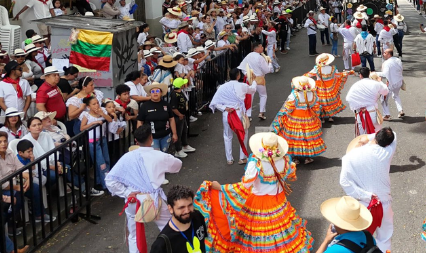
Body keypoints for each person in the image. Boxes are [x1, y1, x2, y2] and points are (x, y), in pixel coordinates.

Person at [195, 133, 313, 253]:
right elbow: (291, 175)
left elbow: (244, 186)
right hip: (278, 201)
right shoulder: (285, 160)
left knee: (258, 232)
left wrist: (221, 187)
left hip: (258, 203)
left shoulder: (256, 164)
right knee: (279, 231)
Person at [106, 125, 183, 253]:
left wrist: (126, 192)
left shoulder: (127, 157)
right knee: (170, 227)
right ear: (151, 138)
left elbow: (110, 180)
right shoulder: (159, 156)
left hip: (133, 199)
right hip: (153, 199)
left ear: (136, 141)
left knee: (134, 236)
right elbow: (177, 165)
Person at [340, 128, 397, 252]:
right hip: (384, 203)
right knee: (385, 238)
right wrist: (369, 138)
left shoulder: (349, 157)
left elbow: (344, 182)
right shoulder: (387, 152)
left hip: (362, 205)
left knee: (360, 239)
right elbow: (395, 135)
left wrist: (365, 195)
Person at [271, 76, 326, 165]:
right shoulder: (312, 94)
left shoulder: (294, 95)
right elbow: (316, 107)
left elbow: (289, 108)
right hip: (308, 118)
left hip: (295, 119)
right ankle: (307, 157)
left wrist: (285, 114)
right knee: (307, 137)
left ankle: (295, 158)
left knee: (295, 137)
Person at [209, 69, 256, 165]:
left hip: (227, 114)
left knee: (227, 135)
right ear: (238, 76)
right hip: (239, 113)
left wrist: (224, 108)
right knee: (243, 133)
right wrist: (254, 80)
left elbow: (215, 102)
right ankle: (242, 157)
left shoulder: (222, 87)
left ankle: (229, 159)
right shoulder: (242, 86)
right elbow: (253, 90)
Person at [305, 53, 352, 122]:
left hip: (320, 88)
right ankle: (331, 116)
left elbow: (308, 75)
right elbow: (338, 75)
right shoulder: (332, 69)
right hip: (331, 88)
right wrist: (347, 72)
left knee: (321, 102)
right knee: (330, 101)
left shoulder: (317, 69)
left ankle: (322, 117)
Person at [346, 68, 389, 136]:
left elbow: (349, 98)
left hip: (360, 113)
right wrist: (380, 81)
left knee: (362, 138)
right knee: (376, 136)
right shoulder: (375, 83)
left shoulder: (355, 85)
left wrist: (355, 108)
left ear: (360, 75)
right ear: (369, 74)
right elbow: (385, 91)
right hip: (373, 112)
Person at [138, 82, 178, 152]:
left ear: (161, 93)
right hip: (151, 137)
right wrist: (139, 137)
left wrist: (174, 133)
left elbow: (171, 119)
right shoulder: (145, 106)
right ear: (150, 93)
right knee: (155, 157)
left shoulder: (166, 104)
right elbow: (140, 121)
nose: (155, 93)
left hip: (166, 135)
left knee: (165, 156)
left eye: (157, 91)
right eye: (153, 91)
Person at [238, 41, 272, 120]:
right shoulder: (260, 57)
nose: (262, 48)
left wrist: (248, 74)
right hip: (259, 78)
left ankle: (248, 115)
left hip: (250, 79)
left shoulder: (249, 56)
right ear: (257, 48)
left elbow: (242, 67)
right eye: (261, 47)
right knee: (263, 95)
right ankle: (261, 112)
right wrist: (270, 63)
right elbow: (267, 70)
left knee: (250, 96)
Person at [379, 49, 405, 119]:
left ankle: (387, 115)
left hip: (391, 83)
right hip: (399, 81)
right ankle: (400, 110)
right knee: (396, 95)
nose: (383, 54)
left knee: (383, 98)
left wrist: (374, 73)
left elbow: (384, 74)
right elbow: (401, 69)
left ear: (389, 54)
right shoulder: (398, 60)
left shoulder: (387, 63)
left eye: (385, 53)